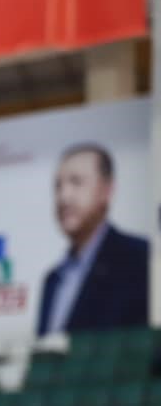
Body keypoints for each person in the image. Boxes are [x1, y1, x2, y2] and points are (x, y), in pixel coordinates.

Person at [37, 143, 149, 336]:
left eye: (76, 182)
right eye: (58, 186)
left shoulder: (140, 259)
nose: (64, 197)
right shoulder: (52, 280)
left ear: (106, 191)